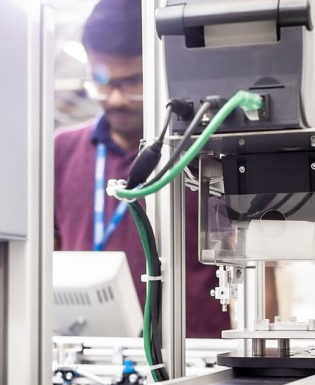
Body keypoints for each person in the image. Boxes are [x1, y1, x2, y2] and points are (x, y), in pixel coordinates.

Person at [53, 0, 235, 338]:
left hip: (193, 353)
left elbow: (257, 264)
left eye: (133, 81)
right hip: (90, 352)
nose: (117, 99)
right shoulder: (61, 151)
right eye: (103, 80)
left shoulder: (204, 150)